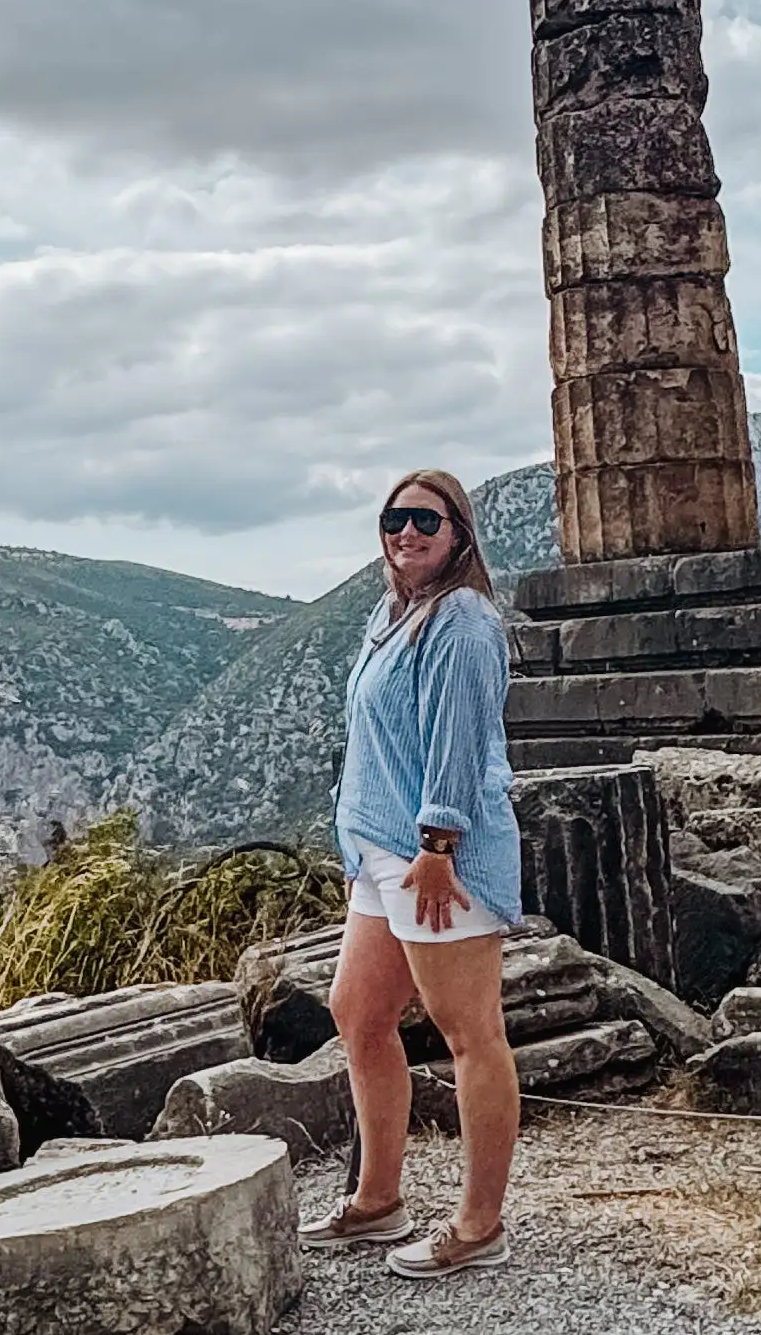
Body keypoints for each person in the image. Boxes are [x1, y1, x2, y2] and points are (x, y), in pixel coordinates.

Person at [298, 468, 520, 1279]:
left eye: (427, 519)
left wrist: (438, 846)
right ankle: (379, 1200)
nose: (408, 532)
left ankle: (478, 1225)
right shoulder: (391, 614)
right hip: (380, 851)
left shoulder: (461, 620)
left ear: (458, 533)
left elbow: (458, 743)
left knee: (469, 1032)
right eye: (395, 518)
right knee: (358, 1012)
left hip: (436, 855)